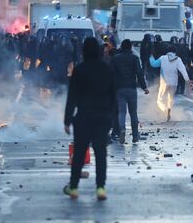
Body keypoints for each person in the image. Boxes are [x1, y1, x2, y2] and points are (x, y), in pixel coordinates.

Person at [63, 37, 116, 200]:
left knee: (79, 153)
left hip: (83, 117)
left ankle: (73, 187)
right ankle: (100, 188)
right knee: (101, 153)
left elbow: (72, 96)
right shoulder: (107, 69)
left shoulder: (79, 69)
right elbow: (113, 95)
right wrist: (113, 119)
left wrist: (67, 119)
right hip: (103, 117)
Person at [111, 39, 149, 144]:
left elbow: (111, 74)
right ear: (130, 47)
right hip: (132, 89)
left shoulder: (115, 59)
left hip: (119, 89)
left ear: (122, 47)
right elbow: (139, 73)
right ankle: (135, 135)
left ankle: (122, 130)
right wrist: (144, 87)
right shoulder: (134, 58)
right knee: (133, 113)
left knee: (122, 112)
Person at [150, 45, 191, 121]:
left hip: (164, 83)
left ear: (167, 51)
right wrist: (187, 80)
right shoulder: (178, 59)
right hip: (174, 83)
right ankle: (169, 109)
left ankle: (165, 111)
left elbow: (153, 64)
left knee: (160, 100)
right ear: (175, 52)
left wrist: (151, 57)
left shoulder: (162, 58)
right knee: (170, 98)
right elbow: (183, 70)